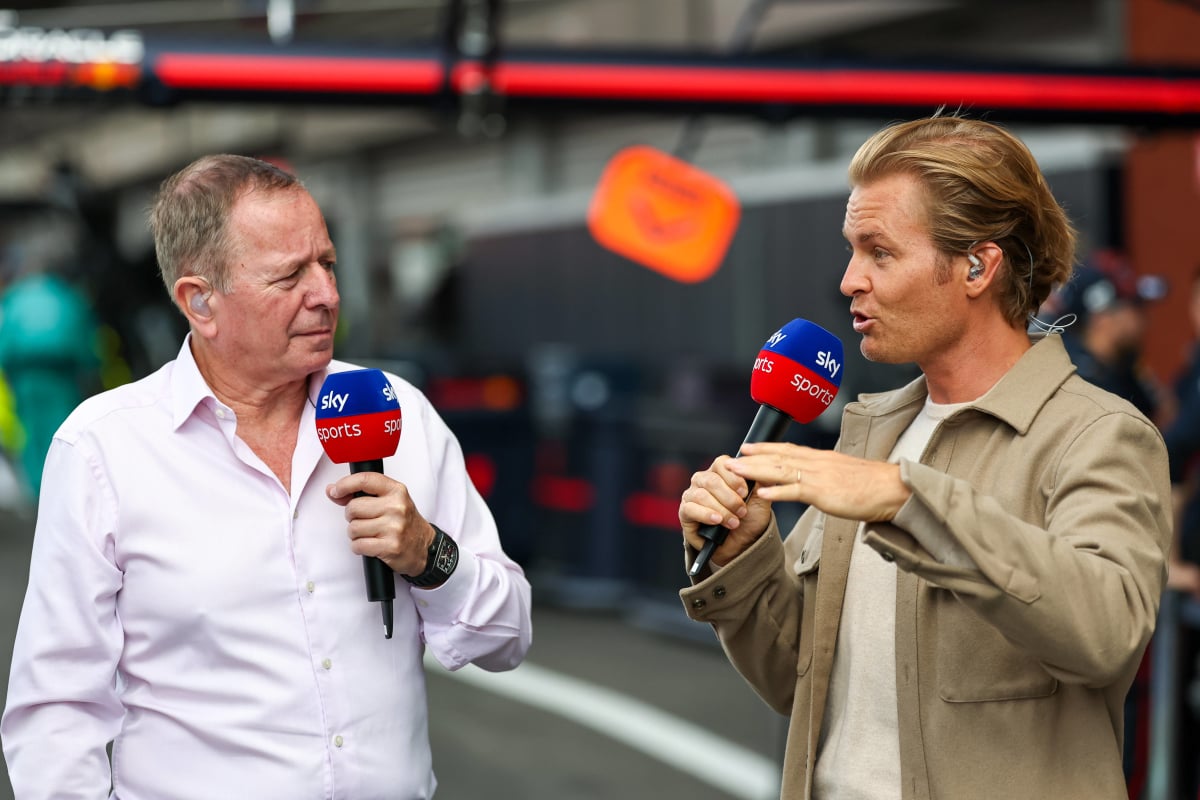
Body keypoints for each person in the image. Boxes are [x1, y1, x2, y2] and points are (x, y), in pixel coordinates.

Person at [1, 154, 533, 799]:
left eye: (328, 265)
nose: (327, 295)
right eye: (289, 277)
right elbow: (58, 708)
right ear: (201, 302)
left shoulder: (397, 411)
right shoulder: (104, 449)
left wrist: (430, 555)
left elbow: (508, 636)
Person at [677, 113, 1171, 799]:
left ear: (976, 266)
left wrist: (909, 501)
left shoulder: (1098, 434)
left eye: (879, 252)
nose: (850, 279)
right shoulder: (869, 433)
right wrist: (746, 559)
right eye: (852, 250)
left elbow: (1105, 633)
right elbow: (799, 683)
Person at [0, 239, 102, 503]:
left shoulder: (16, 295)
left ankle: (39, 494)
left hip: (26, 374)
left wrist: (9, 373)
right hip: (61, 375)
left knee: (33, 434)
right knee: (63, 431)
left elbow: (6, 339)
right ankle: (61, 492)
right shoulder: (67, 296)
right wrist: (91, 372)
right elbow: (85, 339)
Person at [1048, 248, 1167, 421]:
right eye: (1134, 307)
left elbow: (1162, 415)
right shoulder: (1076, 379)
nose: (1143, 320)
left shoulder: (1123, 366)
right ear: (1102, 318)